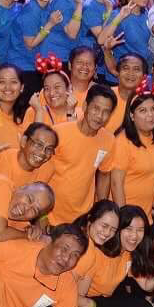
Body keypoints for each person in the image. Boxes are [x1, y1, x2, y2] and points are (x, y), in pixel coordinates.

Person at [75, 204, 154, 307]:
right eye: (129, 229)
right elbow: (77, 298)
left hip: (102, 302)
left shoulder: (127, 253)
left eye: (140, 230)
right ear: (119, 230)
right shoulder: (95, 253)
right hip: (84, 306)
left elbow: (147, 286)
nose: (134, 236)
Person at [45, 84, 118, 224]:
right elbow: (40, 173)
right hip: (51, 215)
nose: (99, 116)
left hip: (82, 218)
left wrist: (100, 211)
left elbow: (104, 175)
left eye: (106, 112)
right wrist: (41, 216)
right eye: (96, 108)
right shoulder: (59, 133)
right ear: (85, 106)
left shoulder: (109, 140)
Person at [107, 90, 154, 218]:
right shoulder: (122, 141)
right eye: (143, 110)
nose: (150, 115)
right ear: (131, 115)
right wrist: (124, 219)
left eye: (153, 109)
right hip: (125, 216)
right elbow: (116, 184)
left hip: (146, 216)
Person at [99, 0, 151, 65]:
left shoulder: (146, 13)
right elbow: (101, 40)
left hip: (142, 67)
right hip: (123, 69)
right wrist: (120, 17)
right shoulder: (118, 14)